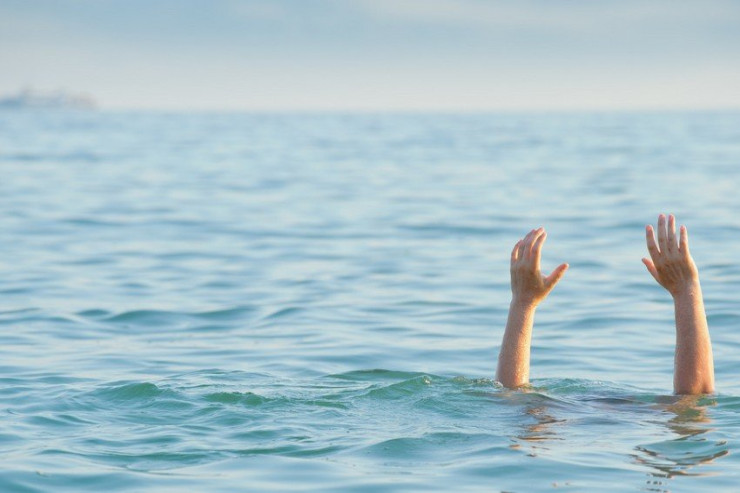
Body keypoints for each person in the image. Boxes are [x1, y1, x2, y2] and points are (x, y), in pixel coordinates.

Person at [495, 214, 714, 395]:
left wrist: (523, 303)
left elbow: (509, 398)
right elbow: (694, 402)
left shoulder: (548, 414)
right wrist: (686, 291)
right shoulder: (648, 415)